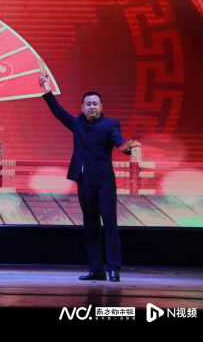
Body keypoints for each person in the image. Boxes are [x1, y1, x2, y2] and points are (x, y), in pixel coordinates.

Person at [38, 59, 139, 282]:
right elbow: (58, 112)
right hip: (84, 181)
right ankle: (96, 269)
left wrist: (125, 148)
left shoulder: (110, 125)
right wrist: (46, 88)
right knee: (91, 226)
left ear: (101, 107)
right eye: (88, 104)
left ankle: (113, 268)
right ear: (82, 107)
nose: (92, 107)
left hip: (104, 183)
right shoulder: (77, 124)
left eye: (95, 104)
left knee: (109, 224)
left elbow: (119, 141)